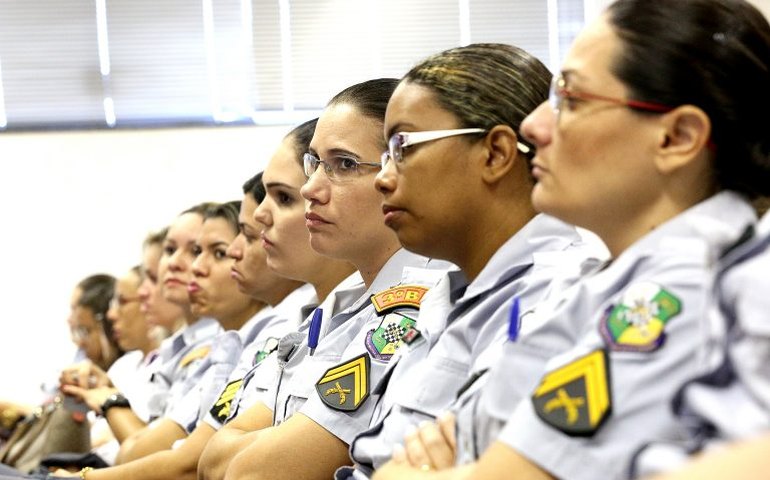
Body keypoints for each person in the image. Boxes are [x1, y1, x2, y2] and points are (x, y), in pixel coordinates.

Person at [372, 0, 770, 479]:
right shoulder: (601, 282)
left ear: (676, 138)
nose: (534, 126)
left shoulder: (680, 292)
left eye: (571, 100)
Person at [335, 42, 599, 480]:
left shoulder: (560, 298)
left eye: (403, 146)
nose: (382, 178)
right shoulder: (450, 295)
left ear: (495, 153)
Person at [199, 79, 451, 480]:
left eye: (344, 164)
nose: (311, 189)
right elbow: (212, 461)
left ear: (399, 174)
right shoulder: (342, 309)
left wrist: (257, 448)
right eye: (314, 163)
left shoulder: (411, 308)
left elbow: (255, 473)